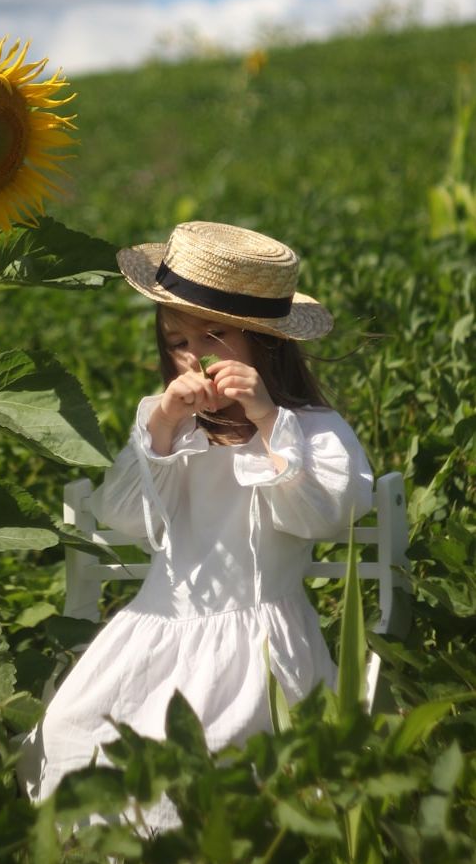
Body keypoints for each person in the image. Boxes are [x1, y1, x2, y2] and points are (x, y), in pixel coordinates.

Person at [24, 221, 373, 823]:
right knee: (71, 731)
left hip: (255, 640)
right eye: (177, 339)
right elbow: (125, 516)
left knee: (213, 761)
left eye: (215, 336)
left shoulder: (308, 427)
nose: (193, 356)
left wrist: (266, 420)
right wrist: (158, 429)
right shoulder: (172, 427)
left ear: (267, 344)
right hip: (157, 629)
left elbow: (328, 512)